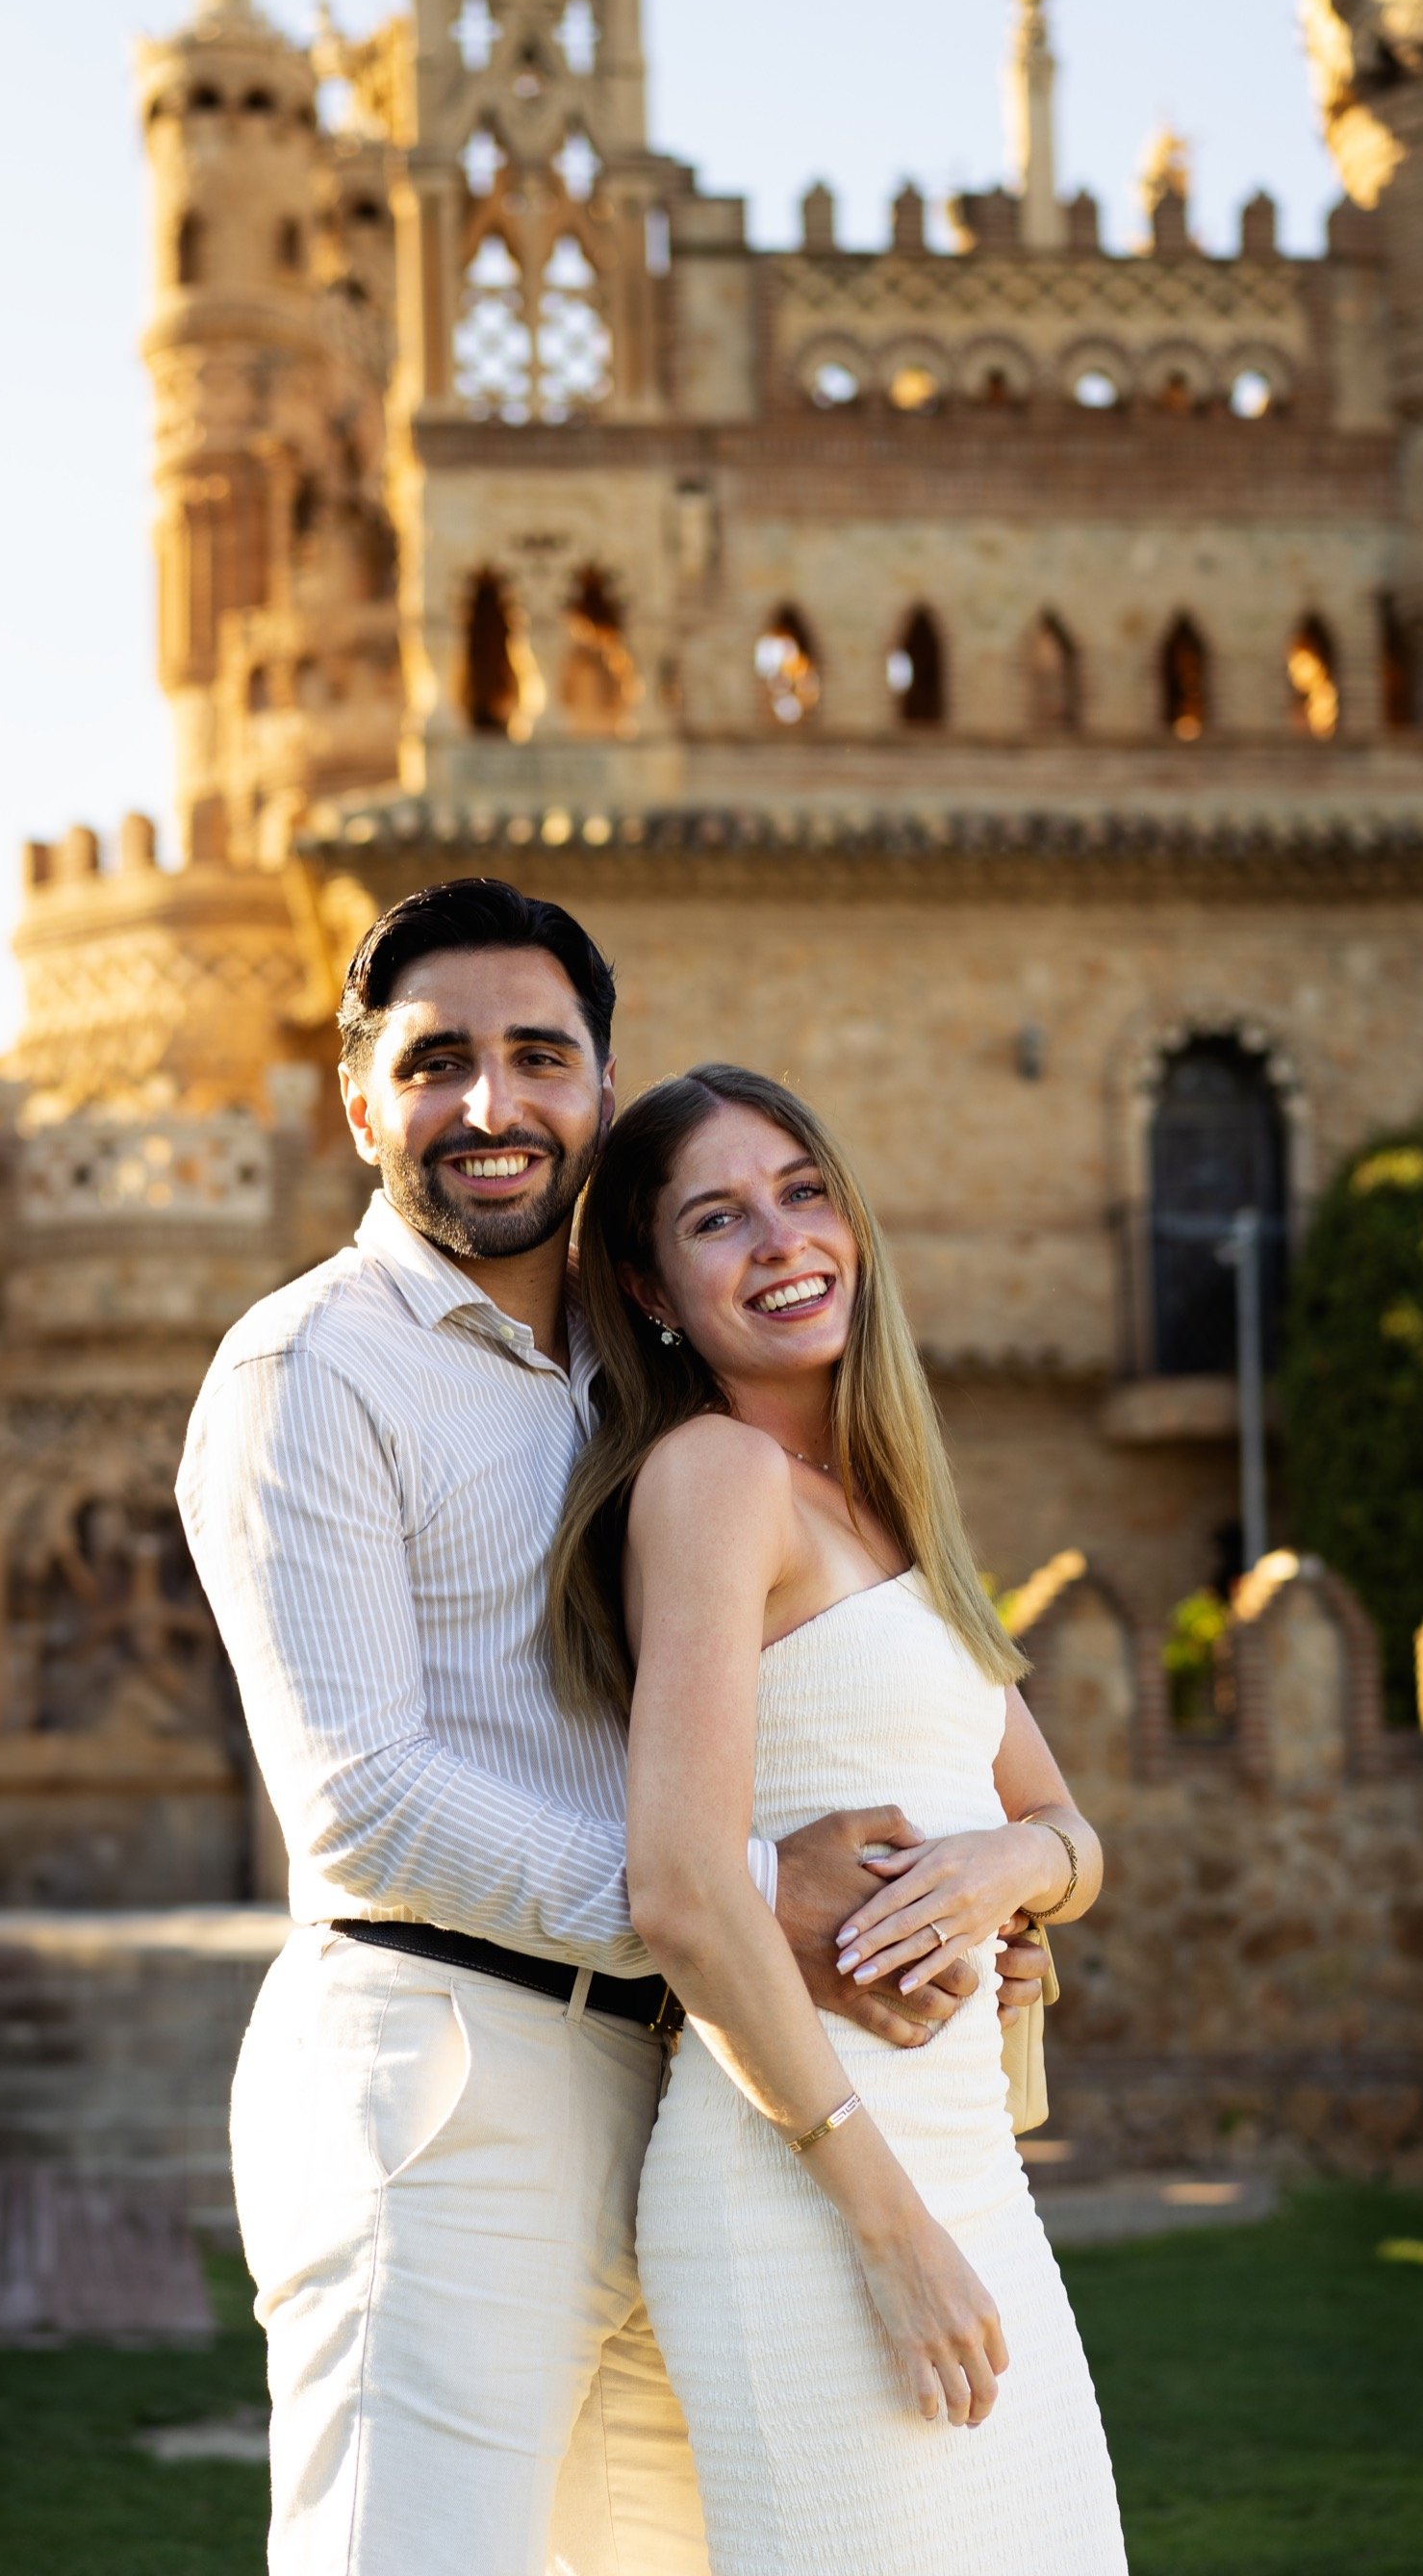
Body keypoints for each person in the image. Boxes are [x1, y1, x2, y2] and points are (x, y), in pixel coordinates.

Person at [178, 880, 1045, 2576]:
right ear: (358, 1098)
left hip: (683, 2102)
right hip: (445, 2090)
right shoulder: (307, 1371)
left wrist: (971, 1883)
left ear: (598, 1081)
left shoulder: (632, 1376)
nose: (492, 1108)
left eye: (536, 1057)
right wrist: (745, 1893)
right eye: (437, 1064)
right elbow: (361, 1801)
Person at [549, 1061, 1128, 2576]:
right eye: (719, 1220)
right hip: (811, 2202)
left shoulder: (889, 1504)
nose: (783, 1241)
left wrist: (1007, 1869)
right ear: (653, 1289)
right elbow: (681, 1888)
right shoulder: (715, 1477)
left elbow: (1067, 1825)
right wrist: (890, 2233)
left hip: (969, 2180)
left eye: (805, 1194)